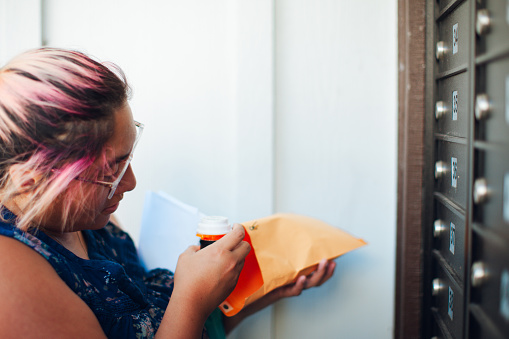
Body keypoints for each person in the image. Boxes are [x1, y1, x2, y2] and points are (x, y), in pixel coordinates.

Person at [0, 47, 336, 338]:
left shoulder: (80, 217)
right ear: (32, 179)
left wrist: (248, 296)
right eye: (111, 169)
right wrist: (190, 299)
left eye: (128, 159)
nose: (129, 182)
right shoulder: (9, 277)